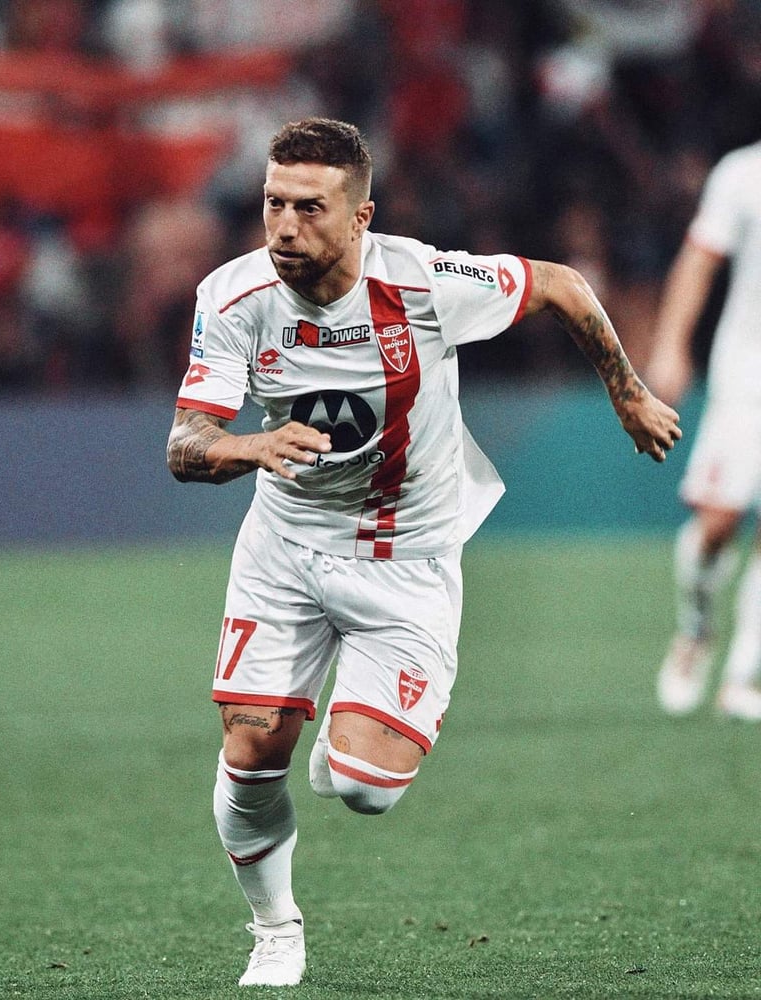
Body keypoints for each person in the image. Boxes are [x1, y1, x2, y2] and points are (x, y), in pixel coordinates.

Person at [166, 117, 681, 988]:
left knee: (365, 787)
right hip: (285, 549)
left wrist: (627, 394)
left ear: (361, 216)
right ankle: (275, 930)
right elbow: (186, 444)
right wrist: (249, 447)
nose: (284, 227)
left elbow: (560, 285)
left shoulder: (422, 282)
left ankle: (347, 734)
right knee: (251, 752)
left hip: (406, 557)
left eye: (309, 208)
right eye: (273, 204)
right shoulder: (232, 296)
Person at [648, 139, 761, 720]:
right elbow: (698, 260)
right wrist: (671, 345)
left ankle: (742, 678)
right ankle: (696, 630)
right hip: (747, 375)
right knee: (718, 521)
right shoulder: (744, 173)